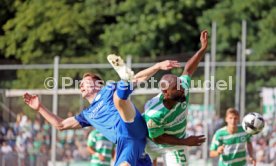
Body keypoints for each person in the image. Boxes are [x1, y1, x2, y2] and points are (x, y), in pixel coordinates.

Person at [23, 58, 180, 166]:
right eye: (80, 85)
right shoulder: (87, 114)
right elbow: (61, 125)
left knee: (121, 96)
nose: (81, 86)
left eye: (85, 83)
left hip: (131, 124)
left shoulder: (107, 89)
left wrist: (158, 66)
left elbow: (138, 79)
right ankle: (124, 83)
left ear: (98, 85)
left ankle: (124, 82)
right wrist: (39, 108)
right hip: (128, 143)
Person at [143, 30, 208, 165]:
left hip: (175, 144)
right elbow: (157, 138)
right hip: (151, 142)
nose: (183, 90)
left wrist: (202, 49)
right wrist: (185, 142)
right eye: (177, 89)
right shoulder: (154, 113)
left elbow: (188, 70)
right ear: (166, 92)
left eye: (181, 86)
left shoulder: (183, 87)